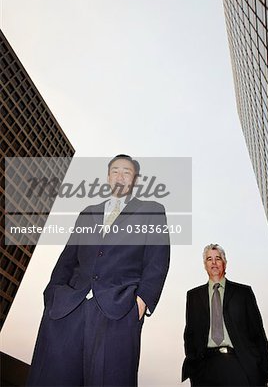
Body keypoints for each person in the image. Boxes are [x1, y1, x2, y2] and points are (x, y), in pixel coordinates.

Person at [27, 154, 170, 387]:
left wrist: (140, 304)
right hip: (68, 308)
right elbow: (67, 258)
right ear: (108, 177)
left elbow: (157, 261)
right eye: (115, 171)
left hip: (118, 310)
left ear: (135, 179)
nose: (120, 176)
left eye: (127, 172)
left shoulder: (152, 210)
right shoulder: (88, 212)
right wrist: (52, 294)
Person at [182, 243, 268, 387]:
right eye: (209, 259)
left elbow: (258, 333)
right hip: (205, 368)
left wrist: (263, 370)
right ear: (204, 265)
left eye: (217, 258)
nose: (213, 263)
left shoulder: (243, 293)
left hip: (239, 364)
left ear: (224, 263)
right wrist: (195, 368)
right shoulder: (193, 296)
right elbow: (190, 334)